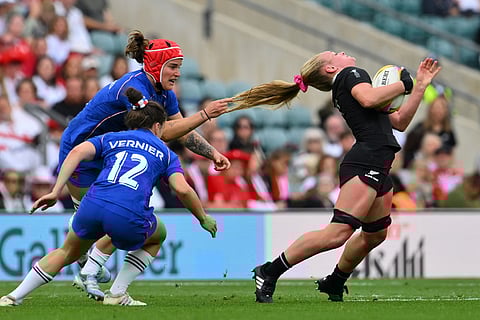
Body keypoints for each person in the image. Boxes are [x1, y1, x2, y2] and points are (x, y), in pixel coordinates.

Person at [230, 52, 441, 303]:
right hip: (366, 161)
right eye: (334, 54)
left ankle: (335, 281)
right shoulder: (352, 75)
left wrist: (419, 87)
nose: (341, 53)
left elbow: (400, 121)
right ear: (331, 67)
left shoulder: (351, 82)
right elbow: (368, 98)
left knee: (375, 234)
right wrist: (403, 84)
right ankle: (269, 271)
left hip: (379, 163)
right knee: (337, 233)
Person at [0, 87, 217, 307]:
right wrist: (203, 218)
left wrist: (56, 191)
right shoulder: (166, 153)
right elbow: (182, 190)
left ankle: (13, 296)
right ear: (158, 126)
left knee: (67, 251)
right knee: (157, 234)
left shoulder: (112, 138)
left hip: (91, 205)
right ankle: (117, 293)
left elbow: (75, 153)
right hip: (127, 214)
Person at [60, 30, 231, 298]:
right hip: (81, 151)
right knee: (99, 218)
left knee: (102, 217)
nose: (177, 73)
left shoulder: (165, 93)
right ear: (156, 65)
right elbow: (160, 132)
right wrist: (205, 114)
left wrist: (212, 153)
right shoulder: (135, 89)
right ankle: (87, 269)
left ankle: (87, 266)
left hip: (111, 153)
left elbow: (180, 129)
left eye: (179, 68)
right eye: (173, 67)